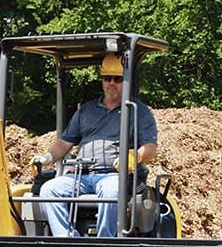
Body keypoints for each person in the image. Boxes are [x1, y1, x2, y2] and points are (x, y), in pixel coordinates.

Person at [31, 54, 158, 237]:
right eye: (107, 78)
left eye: (118, 79)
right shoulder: (86, 111)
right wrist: (47, 158)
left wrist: (134, 157)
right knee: (49, 189)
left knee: (112, 191)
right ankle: (67, 240)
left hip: (112, 175)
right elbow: (65, 142)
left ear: (126, 81)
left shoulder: (138, 111)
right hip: (80, 175)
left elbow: (150, 147)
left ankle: (104, 241)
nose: (111, 83)